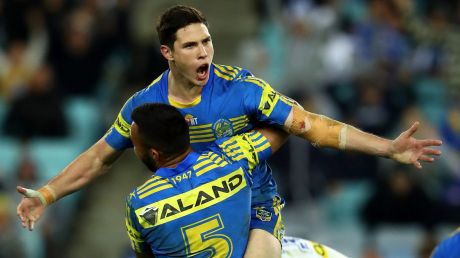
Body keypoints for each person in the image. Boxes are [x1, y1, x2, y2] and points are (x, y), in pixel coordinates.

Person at [17, 5, 442, 257]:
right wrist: (47, 194)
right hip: (187, 208)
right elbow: (98, 157)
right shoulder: (144, 107)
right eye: (191, 45)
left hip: (253, 205)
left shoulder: (241, 89)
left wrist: (389, 149)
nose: (204, 52)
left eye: (206, 41)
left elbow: (312, 126)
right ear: (167, 53)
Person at [125, 103, 348, 258]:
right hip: (271, 243)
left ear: (154, 154)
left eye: (135, 145)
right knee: (265, 210)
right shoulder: (231, 156)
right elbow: (288, 123)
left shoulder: (139, 203)